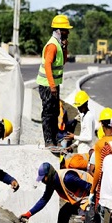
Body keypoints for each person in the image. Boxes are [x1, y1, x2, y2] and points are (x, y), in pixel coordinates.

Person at [36, 14, 72, 149]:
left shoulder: (58, 44)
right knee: (48, 113)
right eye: (65, 30)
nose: (68, 32)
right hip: (47, 85)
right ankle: (48, 140)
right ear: (59, 30)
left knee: (55, 112)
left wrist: (65, 48)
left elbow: (63, 62)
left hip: (53, 85)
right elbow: (47, 65)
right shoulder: (52, 45)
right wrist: (52, 86)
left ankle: (55, 139)